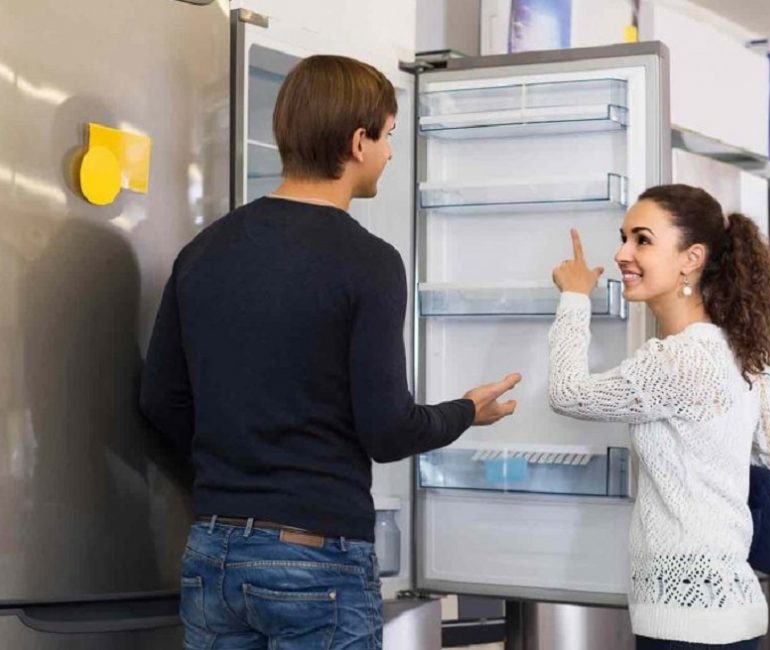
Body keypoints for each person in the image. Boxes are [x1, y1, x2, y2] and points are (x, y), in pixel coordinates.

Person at [140, 54, 521, 650]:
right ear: (357, 140)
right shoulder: (367, 261)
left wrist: (234, 478)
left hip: (213, 552)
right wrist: (468, 410)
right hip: (314, 560)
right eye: (389, 136)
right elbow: (387, 430)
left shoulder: (204, 250)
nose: (392, 153)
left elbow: (160, 399)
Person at [548, 184, 770, 649]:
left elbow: (567, 394)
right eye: (624, 237)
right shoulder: (739, 351)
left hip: (684, 622)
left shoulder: (676, 360)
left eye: (642, 240)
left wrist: (573, 298)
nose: (623, 252)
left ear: (691, 258)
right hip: (738, 607)